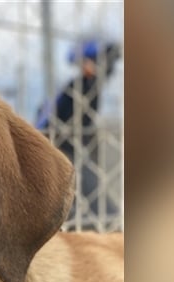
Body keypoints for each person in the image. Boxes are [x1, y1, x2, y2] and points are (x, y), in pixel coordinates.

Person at [37, 40, 121, 229]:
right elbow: (51, 121)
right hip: (61, 147)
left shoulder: (90, 86)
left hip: (73, 147)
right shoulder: (79, 86)